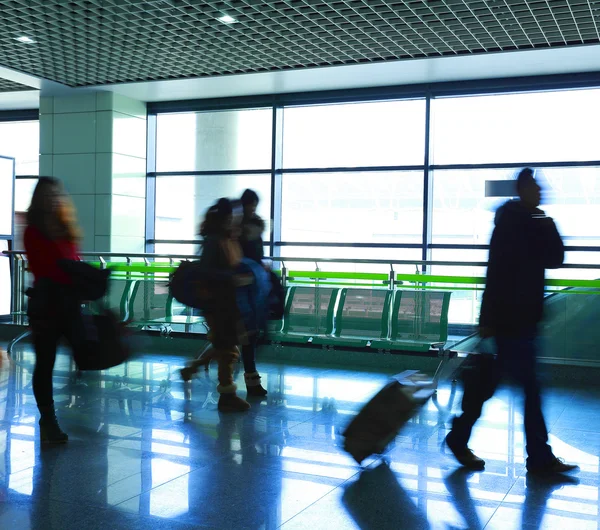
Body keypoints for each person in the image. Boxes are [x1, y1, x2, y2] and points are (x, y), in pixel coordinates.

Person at [445, 168, 578, 475]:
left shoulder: (532, 223)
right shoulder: (512, 225)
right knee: (527, 389)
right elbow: (498, 272)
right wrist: (487, 319)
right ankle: (538, 456)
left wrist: (545, 222)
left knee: (490, 385)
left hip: (519, 321)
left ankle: (460, 436)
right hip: (511, 322)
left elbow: (555, 257)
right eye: (535, 187)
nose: (541, 192)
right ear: (522, 190)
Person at [24, 177, 82, 443]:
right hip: (47, 304)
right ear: (39, 199)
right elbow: (45, 266)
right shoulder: (34, 230)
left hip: (67, 302)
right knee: (45, 363)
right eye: (48, 195)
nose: (53, 199)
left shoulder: (63, 226)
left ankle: (51, 419)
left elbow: (72, 260)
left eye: (56, 194)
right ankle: (48, 419)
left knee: (83, 350)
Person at [180, 198, 252, 412]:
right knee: (228, 349)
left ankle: (192, 369)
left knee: (225, 344)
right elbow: (207, 272)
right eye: (231, 218)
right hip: (217, 302)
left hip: (226, 301)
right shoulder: (214, 241)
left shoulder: (227, 239)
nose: (234, 221)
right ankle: (227, 395)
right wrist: (233, 279)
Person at [239, 189, 268, 397]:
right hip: (249, 279)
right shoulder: (246, 225)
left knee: (242, 336)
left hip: (250, 277)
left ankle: (251, 381)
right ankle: (251, 381)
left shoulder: (242, 224)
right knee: (246, 334)